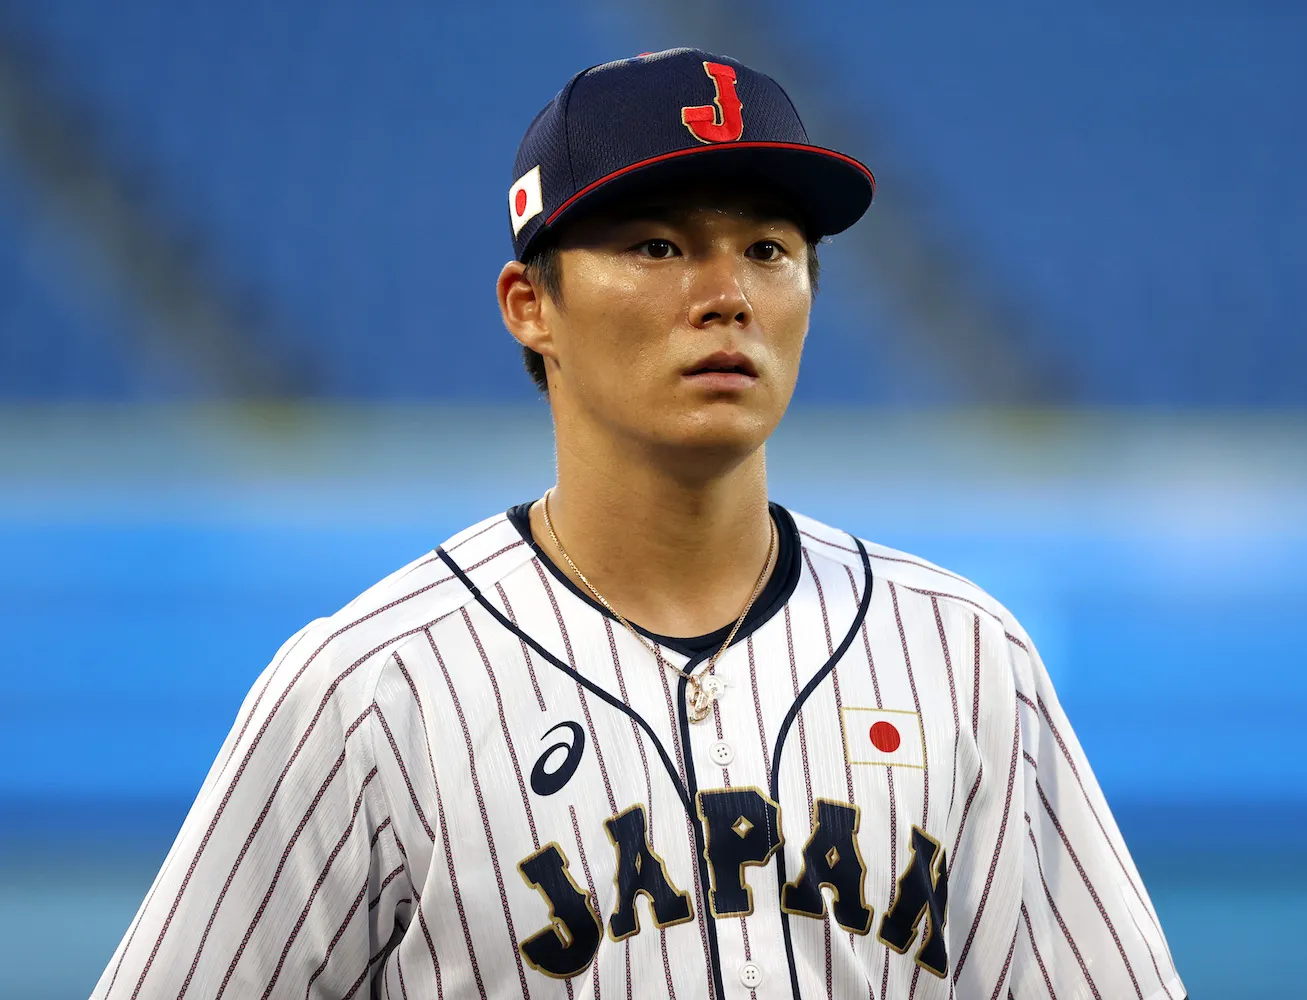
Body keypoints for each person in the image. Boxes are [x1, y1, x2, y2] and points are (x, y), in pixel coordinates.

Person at [93, 48, 1185, 1000]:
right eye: (658, 247)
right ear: (531, 306)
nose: (726, 295)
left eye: (767, 248)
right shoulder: (373, 691)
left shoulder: (966, 659)